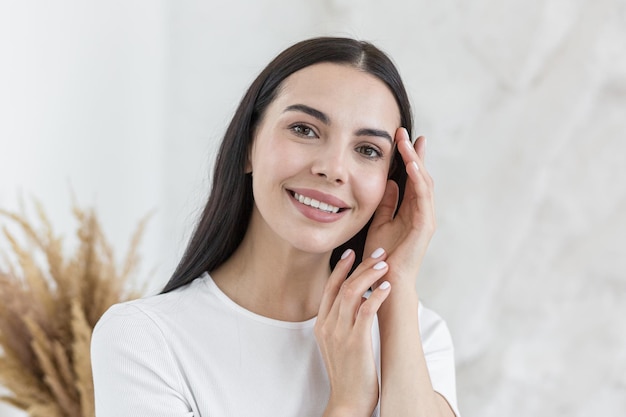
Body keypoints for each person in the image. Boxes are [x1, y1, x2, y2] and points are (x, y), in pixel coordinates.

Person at [91, 36, 460, 417]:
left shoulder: (417, 334)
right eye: (304, 129)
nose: (333, 168)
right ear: (249, 144)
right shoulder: (144, 340)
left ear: (391, 182)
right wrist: (349, 404)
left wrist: (393, 282)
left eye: (367, 150)